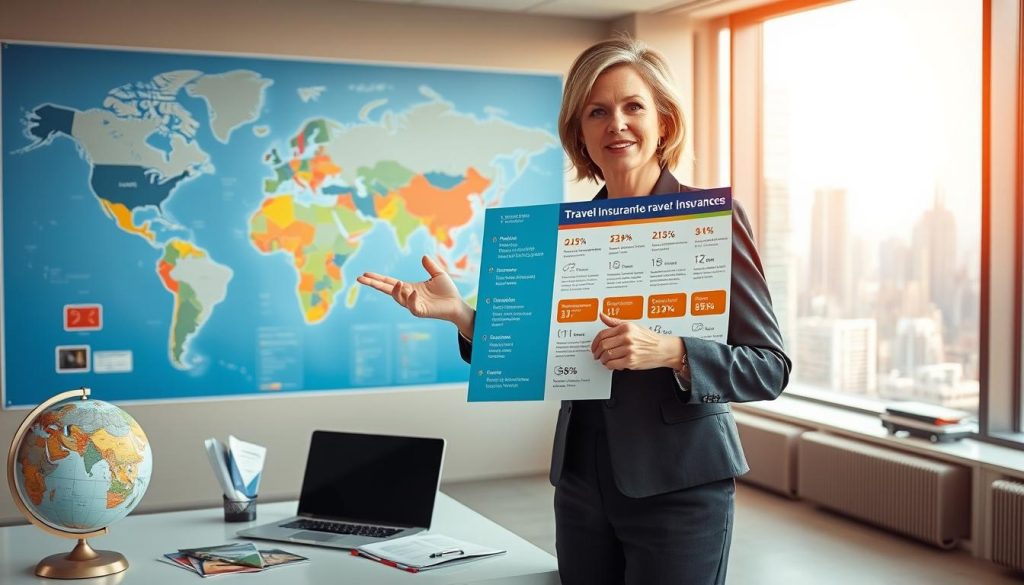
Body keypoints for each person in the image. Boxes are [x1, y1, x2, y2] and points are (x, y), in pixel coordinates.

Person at [358, 36, 791, 585]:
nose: (617, 124)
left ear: (664, 121)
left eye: (633, 106)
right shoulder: (562, 235)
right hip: (583, 487)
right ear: (580, 133)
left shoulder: (714, 220)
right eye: (597, 111)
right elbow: (537, 354)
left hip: (681, 488)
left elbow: (769, 367)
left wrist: (672, 351)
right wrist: (465, 316)